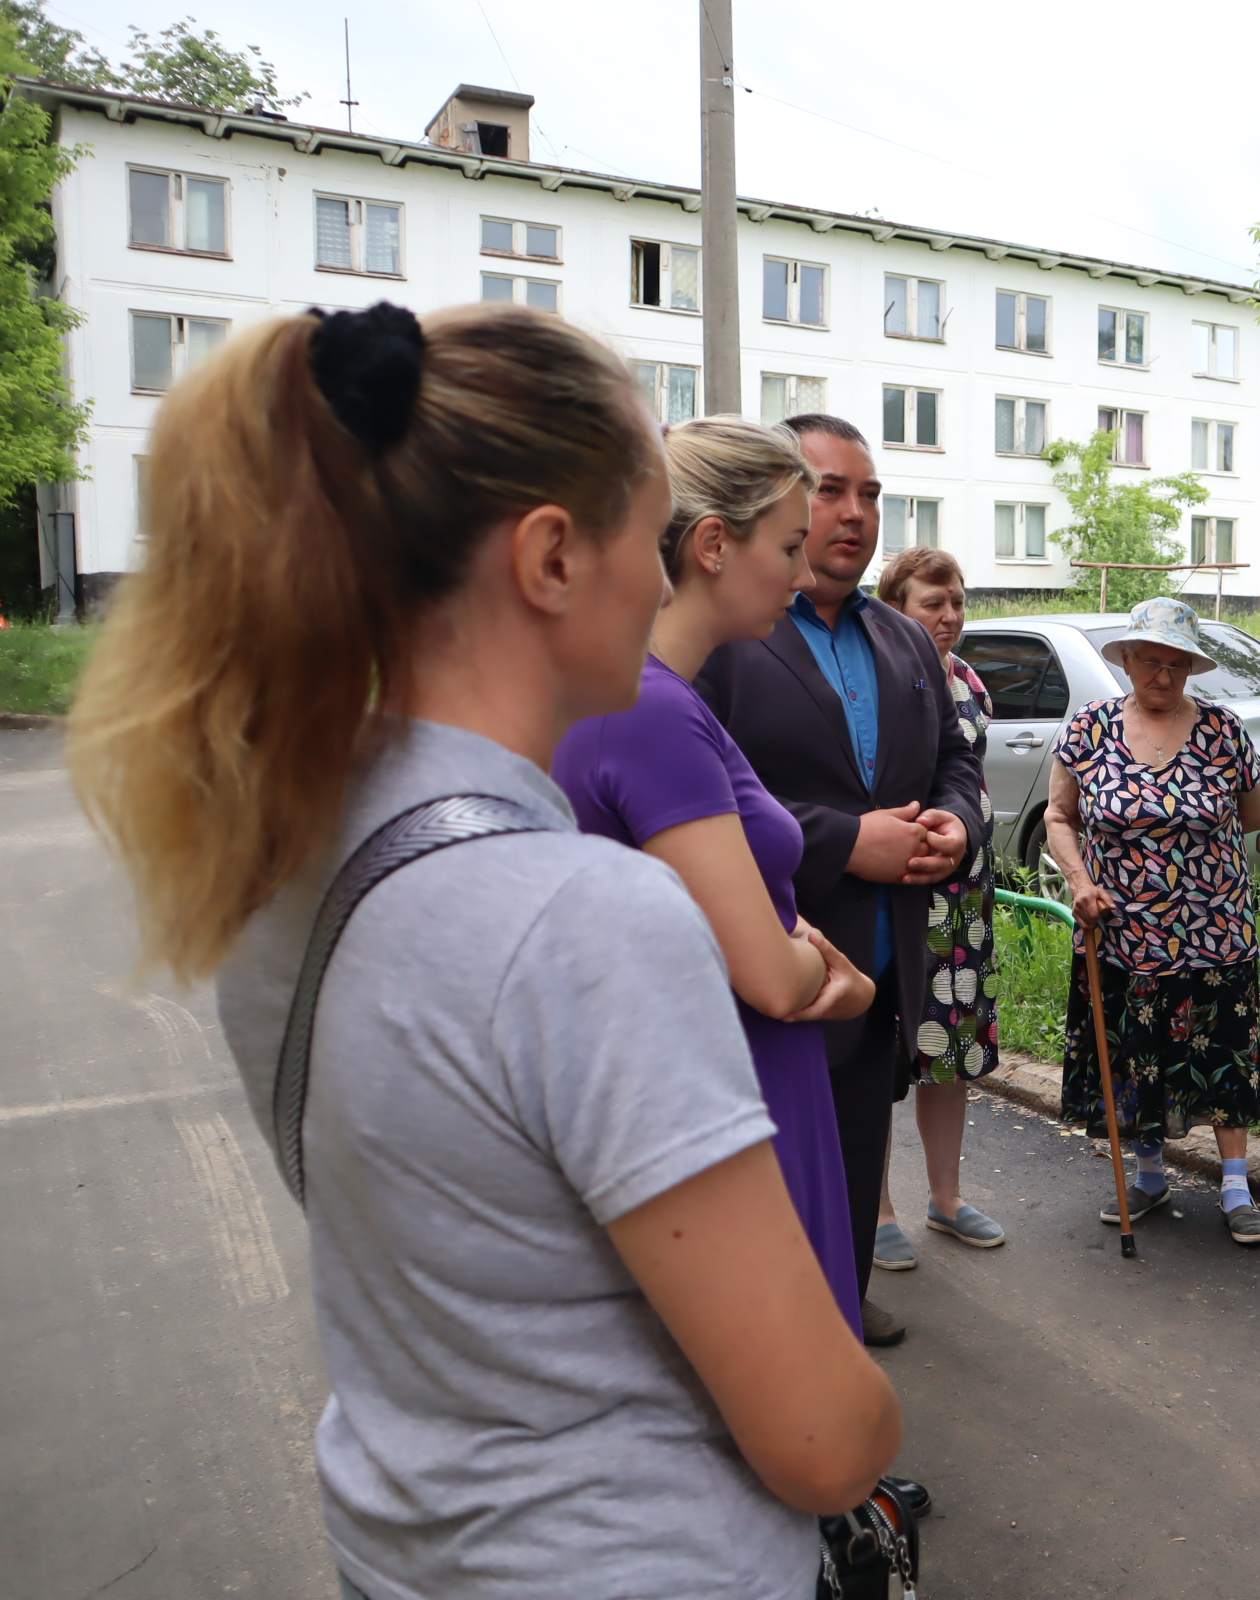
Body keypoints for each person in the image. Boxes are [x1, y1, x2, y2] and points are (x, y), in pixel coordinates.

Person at [67, 302, 898, 1598]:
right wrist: (871, 1417)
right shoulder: (580, 921)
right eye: (646, 528)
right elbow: (822, 1440)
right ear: (554, 557)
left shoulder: (281, 880)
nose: (659, 570)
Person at [552, 416, 875, 1342]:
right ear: (711, 546)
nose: (803, 572)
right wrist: (838, 980)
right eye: (786, 546)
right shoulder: (651, 711)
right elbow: (770, 977)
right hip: (733, 1084)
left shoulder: (653, 696)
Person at [697, 413, 982, 1350]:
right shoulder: (727, 633)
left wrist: (959, 827)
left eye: (869, 494)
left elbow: (952, 761)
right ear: (779, 500)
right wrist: (840, 842)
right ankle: (775, 1344)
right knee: (762, 1175)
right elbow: (700, 797)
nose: (853, 515)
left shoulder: (904, 640)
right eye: (829, 491)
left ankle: (843, 1297)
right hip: (767, 966)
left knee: (860, 1150)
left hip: (886, 960)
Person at [1046, 595, 1260, 1246]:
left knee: (1223, 1056)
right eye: (1150, 661)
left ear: (1191, 668)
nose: (1163, 676)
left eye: (1176, 664)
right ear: (1127, 660)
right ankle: (1149, 1176)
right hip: (1120, 933)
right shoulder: (1089, 729)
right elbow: (1059, 817)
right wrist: (1080, 882)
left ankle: (1236, 1187)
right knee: (1137, 1060)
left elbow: (1254, 814)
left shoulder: (1224, 730)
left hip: (1215, 932)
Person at [866, 546, 1007, 1270]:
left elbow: (971, 778)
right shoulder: (876, 680)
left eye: (956, 601)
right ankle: (879, 1209)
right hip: (901, 888)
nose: (949, 616)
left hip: (966, 895)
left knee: (949, 1051)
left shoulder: (972, 682)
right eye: (932, 602)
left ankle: (945, 1199)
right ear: (895, 608)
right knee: (884, 1050)